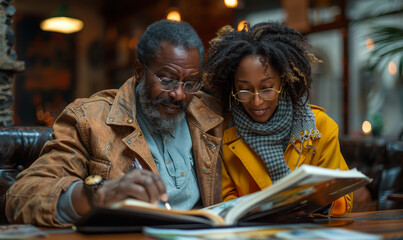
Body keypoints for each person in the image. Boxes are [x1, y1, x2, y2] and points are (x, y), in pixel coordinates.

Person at [6, 19, 224, 227]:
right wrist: (97, 196)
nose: (179, 94)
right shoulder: (89, 119)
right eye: (167, 80)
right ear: (139, 71)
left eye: (190, 83)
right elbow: (21, 195)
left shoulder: (211, 114)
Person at [204, 21, 352, 216]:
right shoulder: (221, 135)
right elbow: (226, 198)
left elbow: (344, 200)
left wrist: (316, 204)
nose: (257, 101)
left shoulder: (320, 127)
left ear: (283, 81)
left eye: (267, 88)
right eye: (245, 90)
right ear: (233, 88)